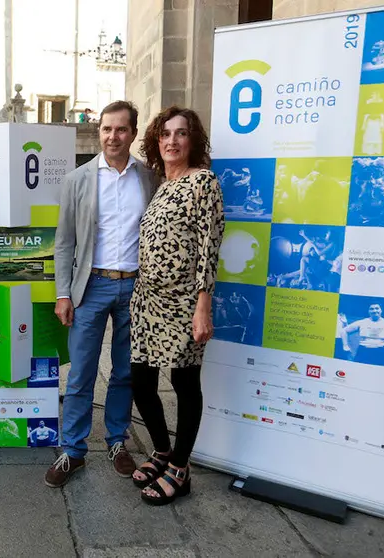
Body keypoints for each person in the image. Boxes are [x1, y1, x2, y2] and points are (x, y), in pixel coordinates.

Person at [45, 101, 156, 488]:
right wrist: (63, 293)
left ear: (133, 133)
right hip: (91, 285)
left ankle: (116, 441)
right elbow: (64, 243)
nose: (112, 136)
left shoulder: (149, 178)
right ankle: (73, 451)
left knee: (126, 372)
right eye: (107, 129)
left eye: (121, 129)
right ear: (100, 132)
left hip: (137, 287)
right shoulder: (79, 179)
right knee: (81, 373)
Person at [129, 106, 225, 506]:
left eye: (181, 133)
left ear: (192, 140)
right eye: (165, 134)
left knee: (185, 384)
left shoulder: (203, 182)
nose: (172, 140)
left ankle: (180, 469)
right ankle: (163, 452)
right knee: (140, 381)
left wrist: (203, 306)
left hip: (185, 302)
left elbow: (209, 249)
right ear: (156, 140)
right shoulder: (162, 184)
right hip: (147, 301)